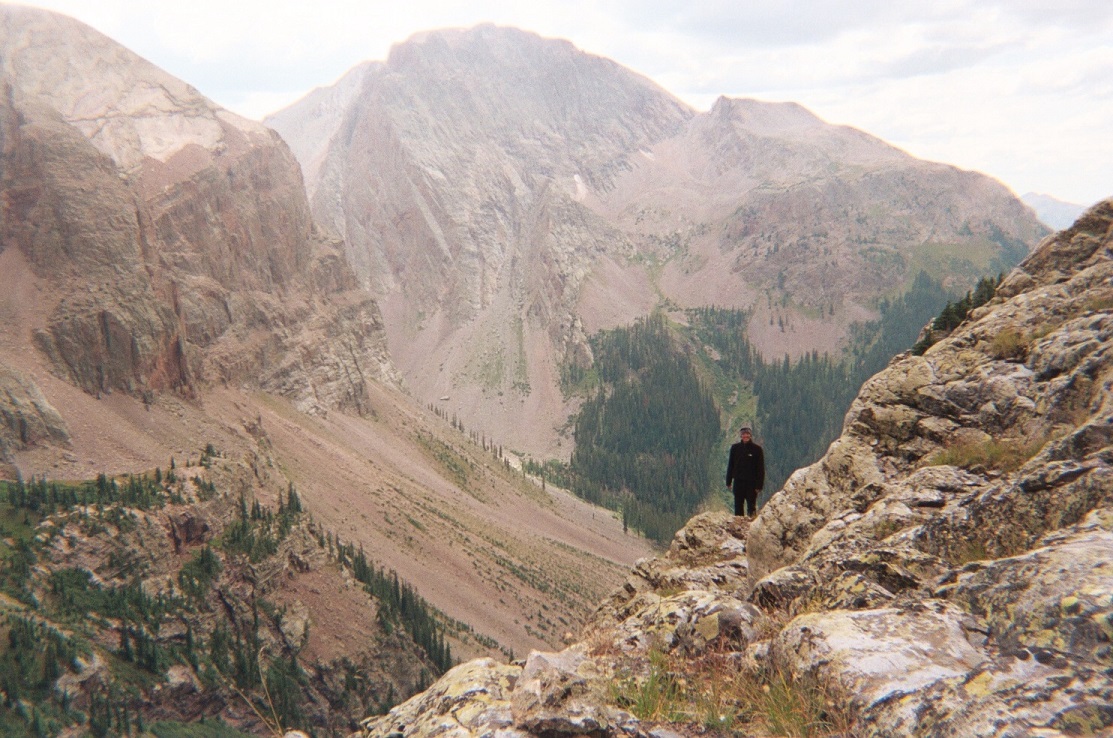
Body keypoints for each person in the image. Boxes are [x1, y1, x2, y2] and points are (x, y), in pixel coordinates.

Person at [725, 426, 764, 518]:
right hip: (738, 481)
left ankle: (752, 525)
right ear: (740, 436)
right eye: (743, 434)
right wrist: (728, 481)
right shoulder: (735, 448)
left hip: (752, 483)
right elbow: (731, 465)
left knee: (751, 506)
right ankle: (738, 525)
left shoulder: (757, 450)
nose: (745, 436)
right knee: (738, 505)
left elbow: (760, 469)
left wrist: (759, 485)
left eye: (747, 434)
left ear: (750, 435)